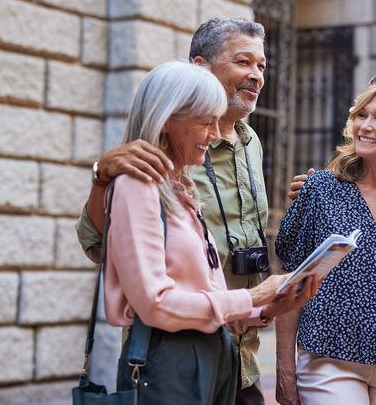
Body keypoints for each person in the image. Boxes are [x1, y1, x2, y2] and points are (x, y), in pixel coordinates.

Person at [75, 18, 275, 404]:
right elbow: (99, 243)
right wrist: (101, 177)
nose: (256, 75)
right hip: (175, 355)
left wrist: (261, 303)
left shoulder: (251, 142)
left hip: (237, 352)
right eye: (243, 62)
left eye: (262, 66)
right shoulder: (149, 161)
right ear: (200, 67)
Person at [102, 60, 320, 404]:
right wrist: (254, 296)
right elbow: (156, 305)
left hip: (212, 356)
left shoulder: (182, 188)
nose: (217, 134)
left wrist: (270, 307)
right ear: (166, 121)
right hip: (173, 363)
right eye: (207, 122)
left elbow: (206, 296)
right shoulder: (136, 186)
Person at [275, 76, 376, 405]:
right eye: (361, 115)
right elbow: (292, 276)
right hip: (327, 356)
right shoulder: (320, 188)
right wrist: (284, 366)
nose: (365, 126)